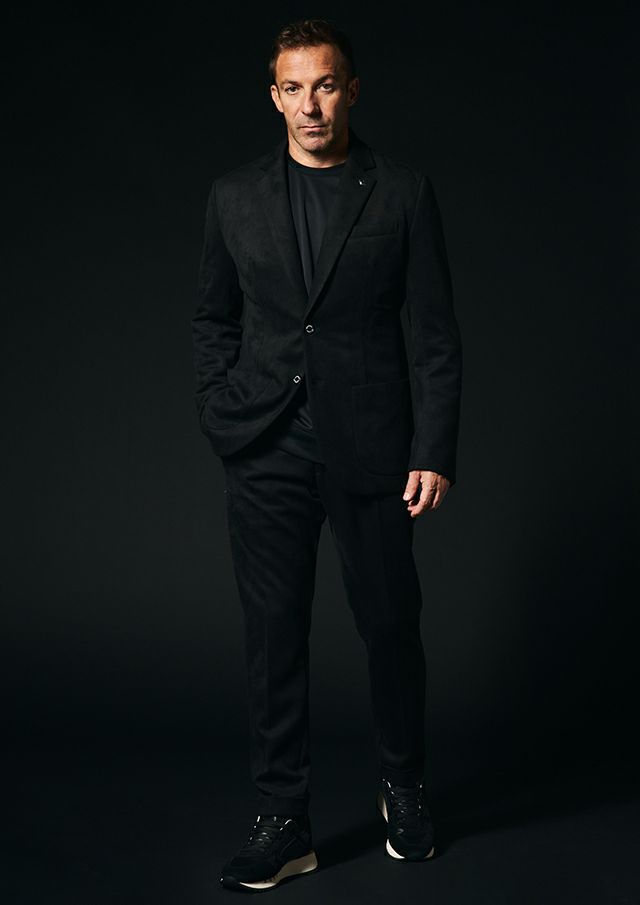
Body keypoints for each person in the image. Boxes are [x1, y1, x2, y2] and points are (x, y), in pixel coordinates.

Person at [191, 17, 463, 892]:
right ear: (274, 96)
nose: (310, 104)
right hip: (264, 445)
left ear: (351, 90)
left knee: (390, 625)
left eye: (326, 85)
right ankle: (284, 819)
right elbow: (212, 318)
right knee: (273, 636)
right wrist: (220, 409)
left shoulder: (403, 193)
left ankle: (403, 787)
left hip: (373, 448)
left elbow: (434, 336)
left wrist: (433, 447)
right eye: (294, 88)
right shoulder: (232, 197)